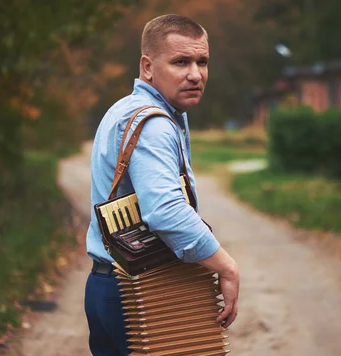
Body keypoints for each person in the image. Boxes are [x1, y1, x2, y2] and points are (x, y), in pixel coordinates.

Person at [84, 14, 240, 355]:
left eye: (202, 62)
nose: (196, 75)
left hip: (105, 286)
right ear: (147, 66)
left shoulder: (125, 110)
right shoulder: (153, 124)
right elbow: (165, 211)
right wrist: (226, 266)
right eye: (181, 62)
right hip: (143, 293)